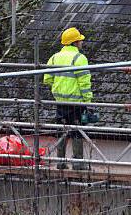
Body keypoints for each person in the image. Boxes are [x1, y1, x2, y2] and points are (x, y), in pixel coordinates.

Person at [43, 27, 92, 170]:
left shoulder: (54, 57)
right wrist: (88, 101)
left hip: (60, 102)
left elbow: (47, 79)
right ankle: (77, 163)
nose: (82, 43)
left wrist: (58, 90)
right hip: (77, 103)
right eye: (80, 41)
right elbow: (84, 82)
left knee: (62, 130)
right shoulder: (79, 58)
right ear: (75, 42)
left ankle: (61, 162)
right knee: (77, 131)